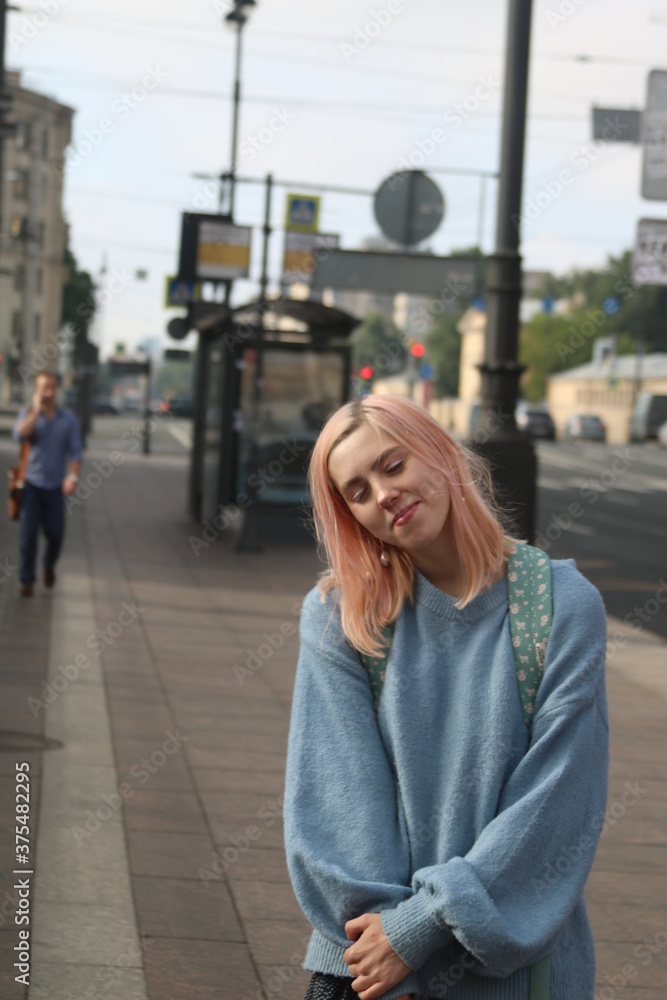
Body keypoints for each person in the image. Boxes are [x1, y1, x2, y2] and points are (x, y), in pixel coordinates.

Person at [284, 395, 609, 1000]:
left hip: (509, 973)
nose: (382, 493)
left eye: (392, 464)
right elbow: (336, 800)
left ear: (439, 452)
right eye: (357, 492)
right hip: (369, 971)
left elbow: (558, 802)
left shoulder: (561, 606)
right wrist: (386, 943)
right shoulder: (342, 617)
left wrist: (417, 927)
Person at [13, 371, 83, 597]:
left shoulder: (68, 419)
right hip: (31, 485)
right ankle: (27, 581)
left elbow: (76, 452)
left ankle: (49, 564)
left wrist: (72, 477)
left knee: (55, 535)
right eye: (44, 388)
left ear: (57, 390)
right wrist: (35, 412)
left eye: (52, 388)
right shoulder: (28, 415)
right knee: (28, 536)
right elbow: (19, 434)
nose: (49, 393)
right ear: (36, 391)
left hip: (55, 489)